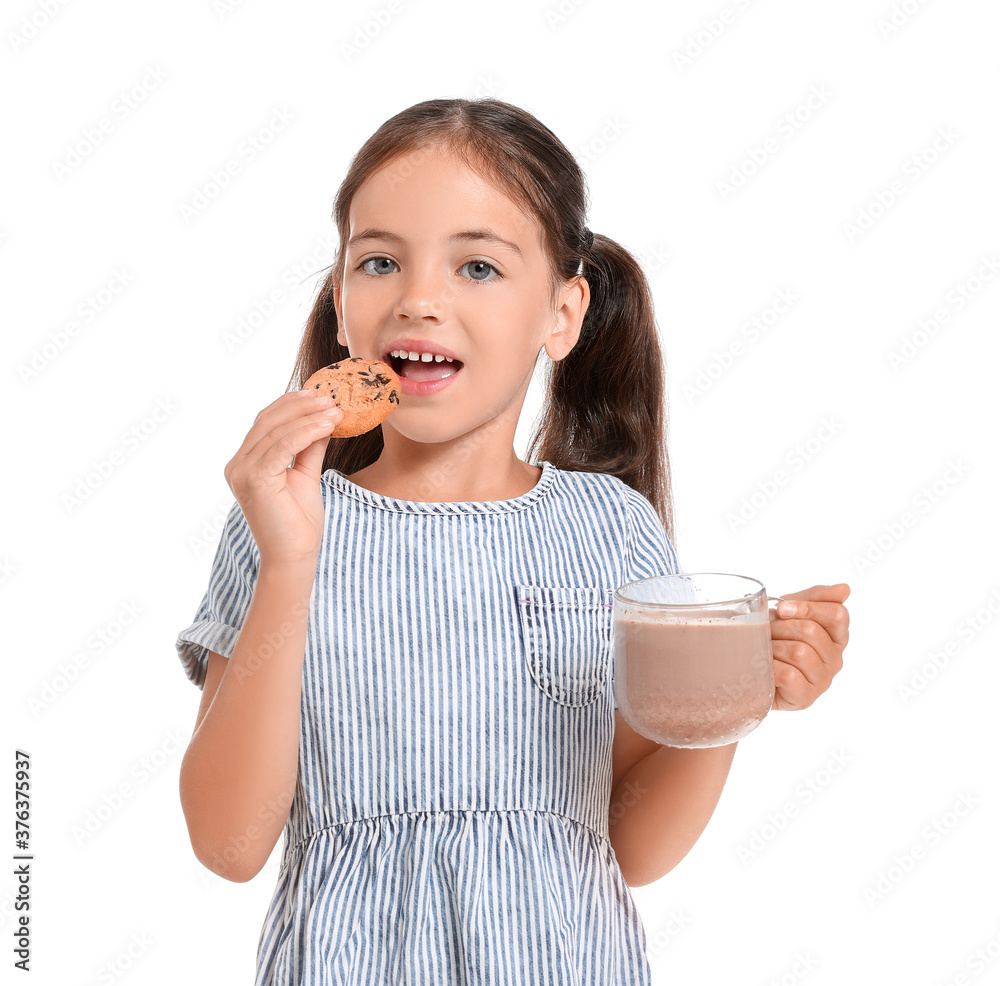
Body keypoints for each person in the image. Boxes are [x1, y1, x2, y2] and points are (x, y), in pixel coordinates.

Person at [175, 97, 851, 985]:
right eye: (380, 261)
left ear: (561, 314)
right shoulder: (280, 520)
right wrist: (291, 560)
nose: (420, 299)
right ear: (342, 303)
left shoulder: (611, 529)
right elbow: (229, 842)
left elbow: (631, 845)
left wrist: (731, 697)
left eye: (479, 268)